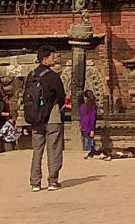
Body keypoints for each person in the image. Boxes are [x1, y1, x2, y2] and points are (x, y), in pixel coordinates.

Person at [23, 45, 68, 191]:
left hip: (35, 117)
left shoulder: (31, 76)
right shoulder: (53, 76)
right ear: (45, 59)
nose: (54, 59)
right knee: (54, 149)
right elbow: (61, 96)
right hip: (52, 117)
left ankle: (35, 182)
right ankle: (52, 181)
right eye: (52, 57)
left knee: (37, 150)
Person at [78, 90, 99, 159]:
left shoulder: (91, 107)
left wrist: (92, 129)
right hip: (85, 125)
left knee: (88, 139)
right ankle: (92, 151)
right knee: (88, 139)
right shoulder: (84, 106)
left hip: (87, 125)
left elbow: (92, 118)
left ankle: (89, 152)